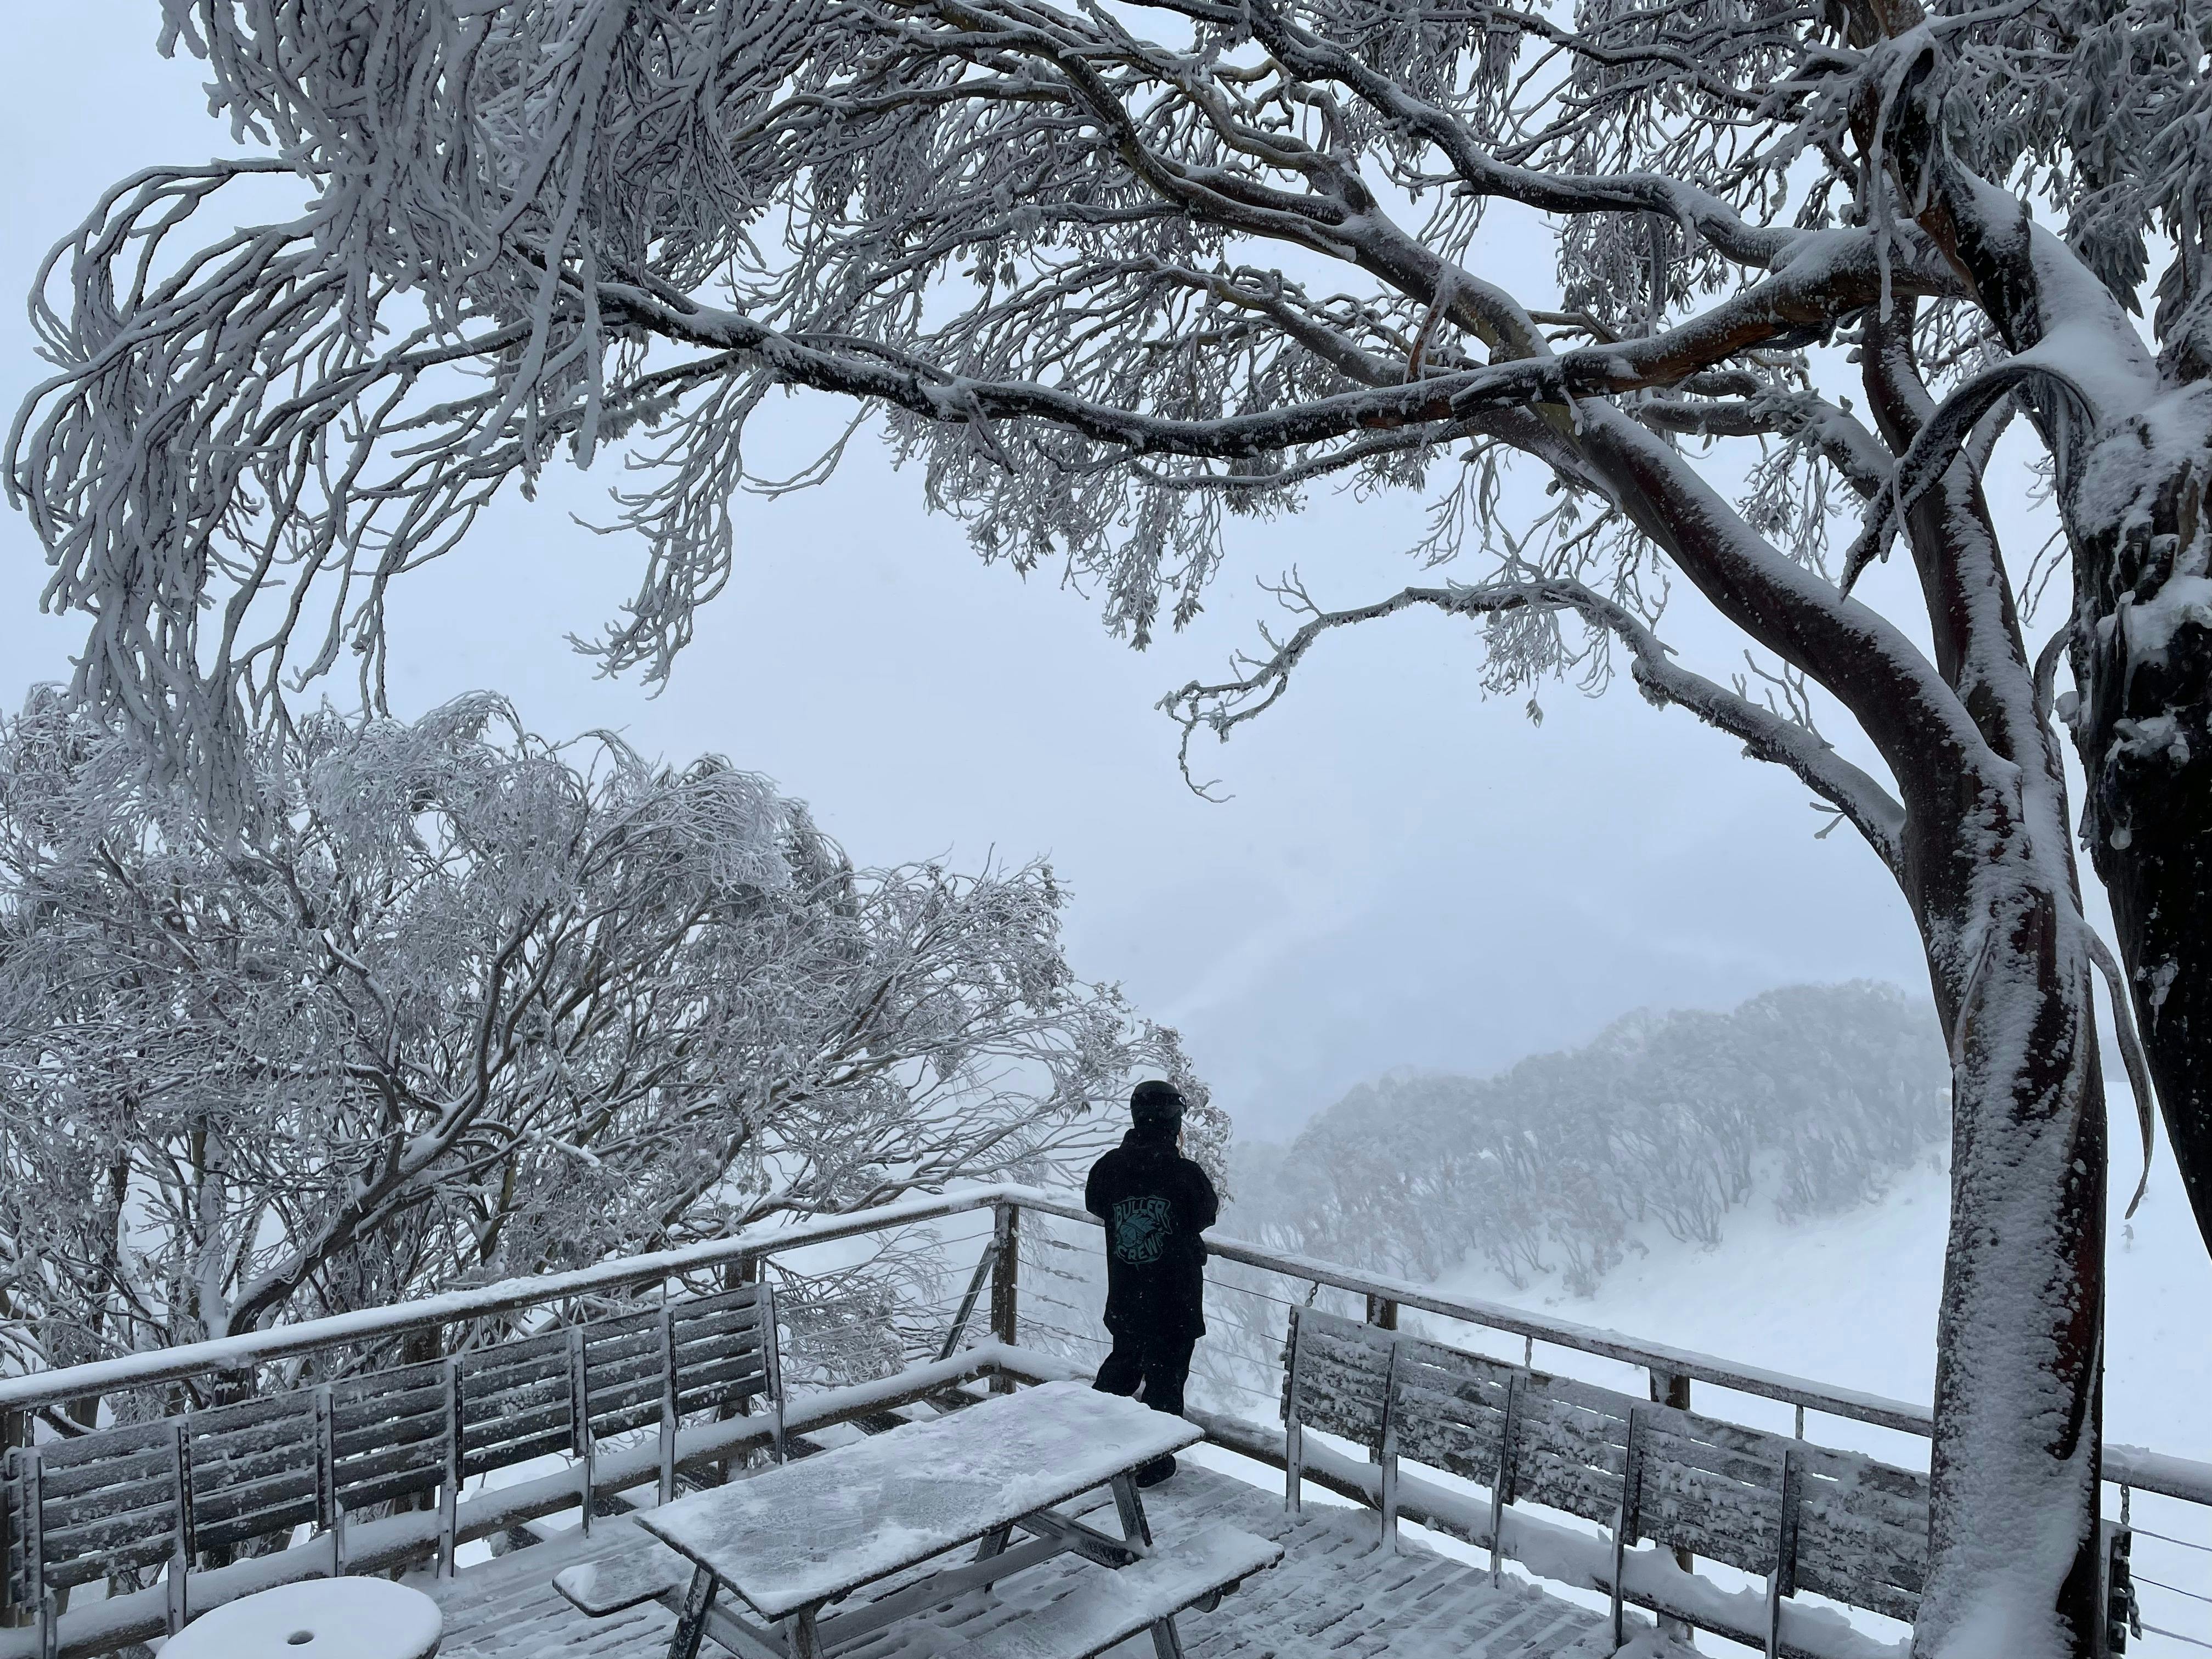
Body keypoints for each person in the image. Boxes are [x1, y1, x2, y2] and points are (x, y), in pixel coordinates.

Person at [1085, 1079, 1218, 1486]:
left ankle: (1090, 1442)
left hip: (1127, 1294)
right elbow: (1205, 1214)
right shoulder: (1184, 1174)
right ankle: (1155, 1462)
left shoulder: (1109, 1167)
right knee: (1165, 1381)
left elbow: (1095, 1203)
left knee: (1121, 1369)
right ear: (1174, 1122)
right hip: (1174, 1303)